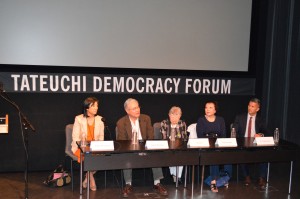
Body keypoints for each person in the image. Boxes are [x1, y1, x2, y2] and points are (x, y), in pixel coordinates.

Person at [116, 98, 168, 198]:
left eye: (138, 107)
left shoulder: (146, 118)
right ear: (127, 111)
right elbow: (122, 142)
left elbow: (150, 137)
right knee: (126, 155)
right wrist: (133, 148)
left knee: (155, 153)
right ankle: (128, 184)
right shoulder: (121, 122)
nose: (137, 110)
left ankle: (157, 183)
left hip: (145, 147)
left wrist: (146, 148)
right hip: (130, 149)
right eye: (134, 108)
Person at [233, 98, 270, 189]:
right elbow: (234, 131)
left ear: (257, 109)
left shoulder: (260, 119)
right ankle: (247, 177)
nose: (250, 108)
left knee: (264, 154)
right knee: (241, 153)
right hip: (243, 143)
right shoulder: (239, 117)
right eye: (249, 105)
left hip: (256, 143)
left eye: (252, 106)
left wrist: (260, 134)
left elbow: (265, 131)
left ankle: (261, 178)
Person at [196, 101, 232, 193]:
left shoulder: (221, 120)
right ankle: (213, 181)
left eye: (210, 107)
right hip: (206, 146)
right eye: (206, 107)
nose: (207, 109)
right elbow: (200, 135)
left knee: (230, 155)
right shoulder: (201, 120)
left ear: (215, 110)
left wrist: (218, 144)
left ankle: (224, 177)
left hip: (218, 144)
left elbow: (223, 135)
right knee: (213, 154)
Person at [71, 97, 104, 191]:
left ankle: (87, 178)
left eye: (97, 106)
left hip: (95, 147)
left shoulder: (100, 119)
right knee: (87, 156)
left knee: (101, 157)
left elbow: (101, 137)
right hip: (81, 147)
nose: (96, 108)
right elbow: (75, 137)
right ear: (87, 108)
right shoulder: (79, 119)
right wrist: (83, 146)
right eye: (93, 106)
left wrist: (98, 147)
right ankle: (91, 179)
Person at [160, 106, 187, 184]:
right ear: (169, 115)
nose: (174, 117)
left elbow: (184, 138)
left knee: (181, 154)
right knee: (171, 153)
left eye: (177, 115)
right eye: (172, 115)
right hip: (167, 147)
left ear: (180, 116)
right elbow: (164, 138)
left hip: (179, 147)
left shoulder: (182, 123)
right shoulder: (164, 123)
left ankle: (176, 176)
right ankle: (175, 176)